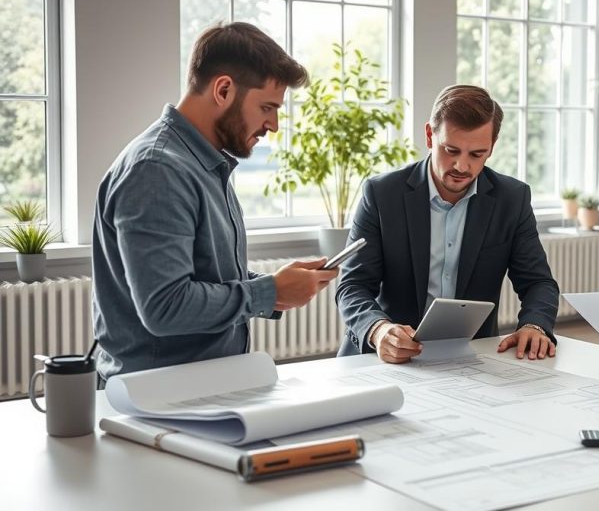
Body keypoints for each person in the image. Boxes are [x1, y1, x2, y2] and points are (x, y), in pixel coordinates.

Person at [92, 22, 338, 380]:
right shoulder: (157, 170)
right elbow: (165, 307)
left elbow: (207, 277)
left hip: (200, 388)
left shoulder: (203, 164)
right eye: (267, 107)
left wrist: (278, 287)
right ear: (223, 90)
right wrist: (267, 292)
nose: (274, 125)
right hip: (159, 397)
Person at [337, 85, 560, 363]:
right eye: (451, 150)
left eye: (477, 154)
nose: (462, 166)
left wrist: (534, 325)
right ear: (430, 135)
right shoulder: (382, 194)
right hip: (384, 358)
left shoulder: (512, 199)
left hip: (469, 358)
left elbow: (538, 282)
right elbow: (352, 285)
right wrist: (378, 329)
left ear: (492, 147)